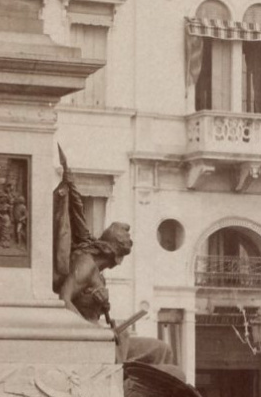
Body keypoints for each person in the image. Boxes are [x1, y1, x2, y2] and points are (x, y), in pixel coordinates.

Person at [53, 151, 172, 366]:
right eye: (118, 259)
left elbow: (78, 212)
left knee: (161, 350)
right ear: (113, 254)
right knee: (156, 351)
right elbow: (64, 299)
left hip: (106, 337)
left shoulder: (95, 268)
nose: (116, 265)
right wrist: (93, 333)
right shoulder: (85, 264)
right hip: (94, 342)